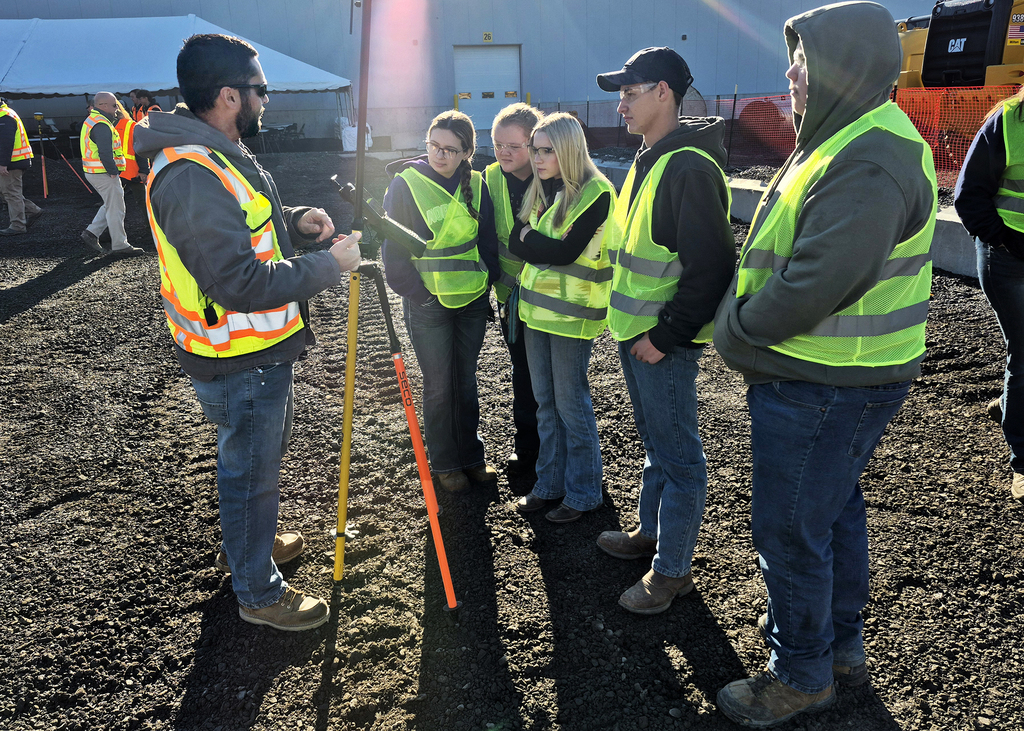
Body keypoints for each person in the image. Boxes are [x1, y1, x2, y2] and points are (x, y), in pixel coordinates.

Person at [712, 3, 938, 726]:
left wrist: (737, 332)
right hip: (835, 375)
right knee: (831, 510)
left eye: (802, 65)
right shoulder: (848, 137)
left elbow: (814, 281)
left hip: (823, 378)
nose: (789, 76)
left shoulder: (868, 155)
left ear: (841, 71)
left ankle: (802, 671)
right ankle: (838, 646)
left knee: (788, 528)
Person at [133, 33, 362, 631]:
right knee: (250, 471)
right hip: (238, 353)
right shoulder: (189, 172)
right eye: (262, 91)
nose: (269, 102)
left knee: (257, 463)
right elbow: (235, 280)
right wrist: (327, 267)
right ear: (231, 95)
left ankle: (252, 544)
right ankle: (258, 591)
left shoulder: (215, 151)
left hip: (256, 348)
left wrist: (294, 223)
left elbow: (241, 229)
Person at [592, 48, 735, 614]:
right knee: (657, 444)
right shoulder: (652, 158)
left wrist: (666, 336)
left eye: (631, 92)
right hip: (637, 334)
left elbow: (714, 267)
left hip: (658, 342)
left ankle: (672, 570)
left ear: (664, 94)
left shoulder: (688, 168)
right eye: (621, 93)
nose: (621, 103)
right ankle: (650, 536)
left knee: (678, 456)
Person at [381, 110, 500, 493]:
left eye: (450, 149)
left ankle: (472, 457)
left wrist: (488, 284)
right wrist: (421, 296)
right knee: (437, 386)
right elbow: (393, 255)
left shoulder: (478, 185)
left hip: (471, 302)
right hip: (429, 305)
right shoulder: (406, 185)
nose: (440, 155)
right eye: (434, 146)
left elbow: (488, 242)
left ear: (467, 152)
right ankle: (446, 464)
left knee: (465, 382)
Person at [511, 113, 618, 523]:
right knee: (545, 403)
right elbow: (515, 241)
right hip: (537, 312)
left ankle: (585, 492)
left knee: (571, 404)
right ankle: (549, 485)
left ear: (568, 149)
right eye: (535, 150)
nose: (537, 159)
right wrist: (532, 243)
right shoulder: (545, 190)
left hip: (573, 316)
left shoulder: (596, 192)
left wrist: (530, 242)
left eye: (546, 150)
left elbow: (563, 253)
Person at [954, 88, 1024, 501]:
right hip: (1009, 257)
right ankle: (1023, 460)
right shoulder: (1007, 121)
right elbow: (968, 195)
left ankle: (1011, 404)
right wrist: (1007, 241)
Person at [486, 103, 542, 476]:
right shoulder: (487, 179)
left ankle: (561, 452)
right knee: (522, 374)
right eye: (497, 144)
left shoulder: (553, 176)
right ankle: (528, 449)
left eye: (513, 145)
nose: (503, 152)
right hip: (511, 297)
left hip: (554, 298)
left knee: (556, 382)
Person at [79, 92, 144, 256]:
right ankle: (120, 245)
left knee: (111, 205)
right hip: (104, 173)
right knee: (117, 209)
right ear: (103, 106)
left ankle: (92, 233)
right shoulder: (101, 124)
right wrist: (113, 172)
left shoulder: (94, 121)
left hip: (97, 172)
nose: (117, 108)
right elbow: (105, 152)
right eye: (115, 105)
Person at [0, 98, 43, 236]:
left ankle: (18, 225)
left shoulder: (4, 117)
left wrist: (3, 164)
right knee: (9, 192)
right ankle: (33, 210)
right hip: (14, 161)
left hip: (12, 162)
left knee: (11, 193)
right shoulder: (6, 115)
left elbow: (6, 143)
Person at [113, 99, 150, 214]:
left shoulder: (128, 126)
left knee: (112, 204)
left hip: (125, 171)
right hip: (128, 171)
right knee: (142, 202)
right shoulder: (128, 125)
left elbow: (140, 149)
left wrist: (143, 170)